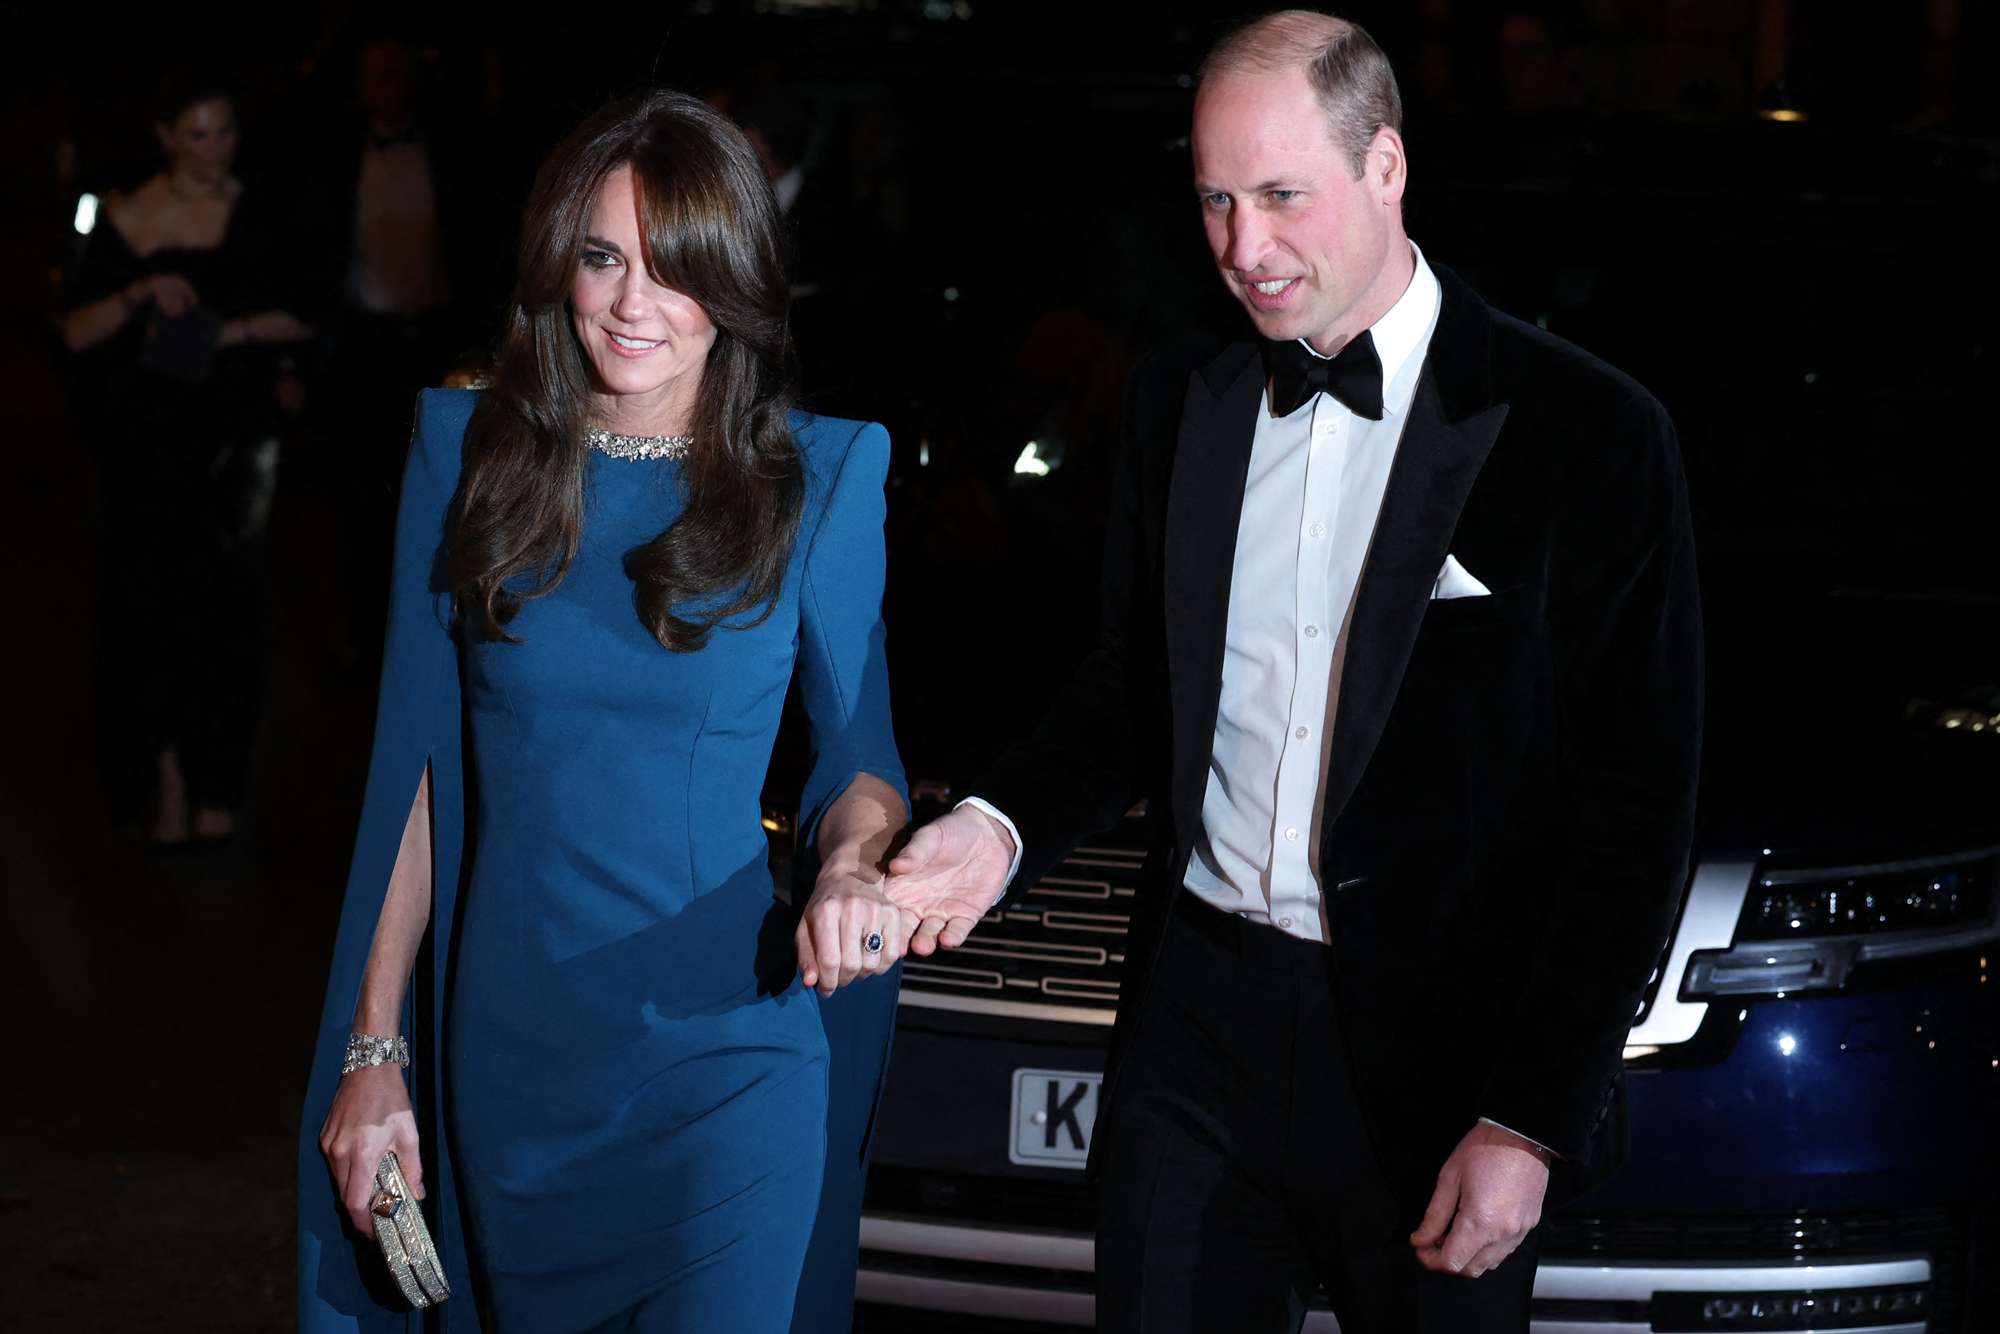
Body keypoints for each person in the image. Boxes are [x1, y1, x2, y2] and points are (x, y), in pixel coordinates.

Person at [883, 11, 1701, 1332]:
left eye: (1280, 196)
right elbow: (1132, 693)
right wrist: (996, 823)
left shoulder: (1588, 434)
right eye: (1213, 200)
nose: (1244, 249)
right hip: (1196, 1026)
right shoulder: (1180, 401)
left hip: (1443, 1062)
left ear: (1386, 166)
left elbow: (1637, 810)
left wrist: (1533, 1116)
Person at [298, 90, 909, 1332]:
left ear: (733, 281)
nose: (633, 305)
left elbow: (859, 760)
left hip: (727, 1059)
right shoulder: (465, 454)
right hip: (514, 1058)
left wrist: (849, 866)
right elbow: (416, 778)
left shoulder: (821, 476)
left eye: (675, 268)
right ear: (557, 267)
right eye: (602, 259)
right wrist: (375, 1047)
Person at [59, 74, 314, 845]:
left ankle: (218, 781)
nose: (216, 149)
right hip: (143, 444)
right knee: (150, 614)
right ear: (167, 137)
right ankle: (165, 776)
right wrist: (141, 293)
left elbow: (309, 311)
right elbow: (71, 333)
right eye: (199, 134)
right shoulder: (124, 215)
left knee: (227, 611)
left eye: (226, 132)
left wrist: (226, 335)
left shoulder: (262, 210)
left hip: (233, 441)